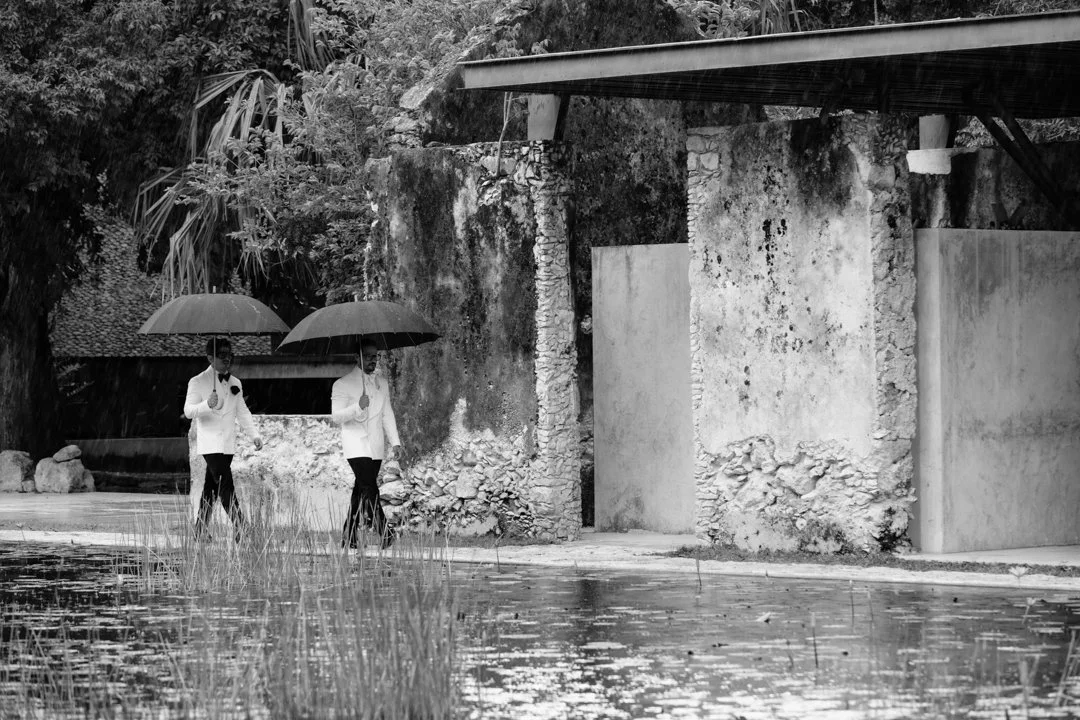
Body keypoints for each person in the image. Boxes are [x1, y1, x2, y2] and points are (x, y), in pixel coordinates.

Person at [184, 337, 263, 542]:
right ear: (210, 358)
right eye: (223, 356)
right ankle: (241, 528)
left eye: (230, 355)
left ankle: (200, 530)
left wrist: (254, 434)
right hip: (210, 445)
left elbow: (242, 411)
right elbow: (188, 411)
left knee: (211, 489)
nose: (228, 360)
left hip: (227, 445)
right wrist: (206, 405)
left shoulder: (235, 382)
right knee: (226, 485)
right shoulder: (197, 381)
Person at [331, 338, 402, 549]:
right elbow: (336, 416)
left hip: (376, 445)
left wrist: (395, 441)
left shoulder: (382, 383)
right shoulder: (342, 383)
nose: (373, 360)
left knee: (361, 491)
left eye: (376, 356)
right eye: (369, 356)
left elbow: (387, 413)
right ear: (357, 357)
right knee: (370, 489)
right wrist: (357, 407)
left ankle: (349, 536)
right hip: (355, 444)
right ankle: (385, 532)